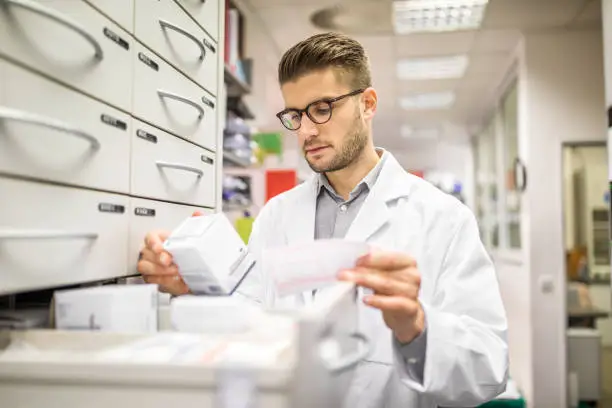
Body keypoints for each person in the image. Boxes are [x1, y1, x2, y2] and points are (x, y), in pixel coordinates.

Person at [138, 32, 509, 408]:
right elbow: (250, 315)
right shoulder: (277, 215)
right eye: (295, 115)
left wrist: (417, 327)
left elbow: (489, 367)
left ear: (367, 104)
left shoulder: (443, 218)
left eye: (322, 108)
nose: (306, 131)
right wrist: (192, 282)